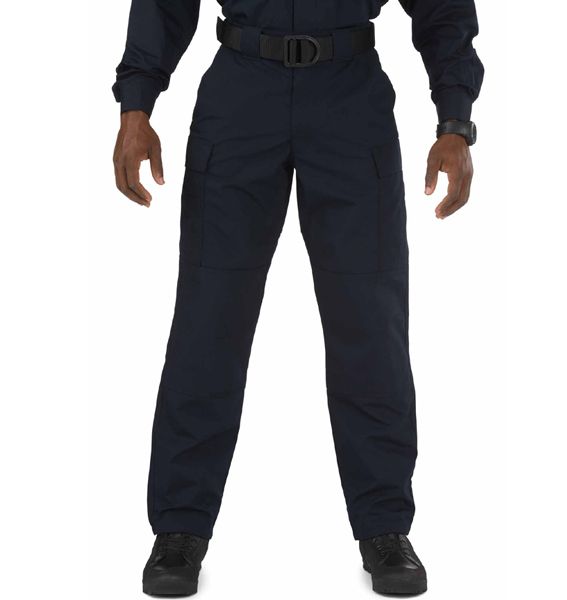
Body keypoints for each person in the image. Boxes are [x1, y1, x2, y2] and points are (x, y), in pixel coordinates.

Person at [112, 0, 484, 596]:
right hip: (239, 98)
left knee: (370, 324)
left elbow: (444, 10)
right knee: (209, 321)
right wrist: (136, 106)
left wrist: (455, 121)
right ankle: (179, 528)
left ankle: (385, 526)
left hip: (350, 101)